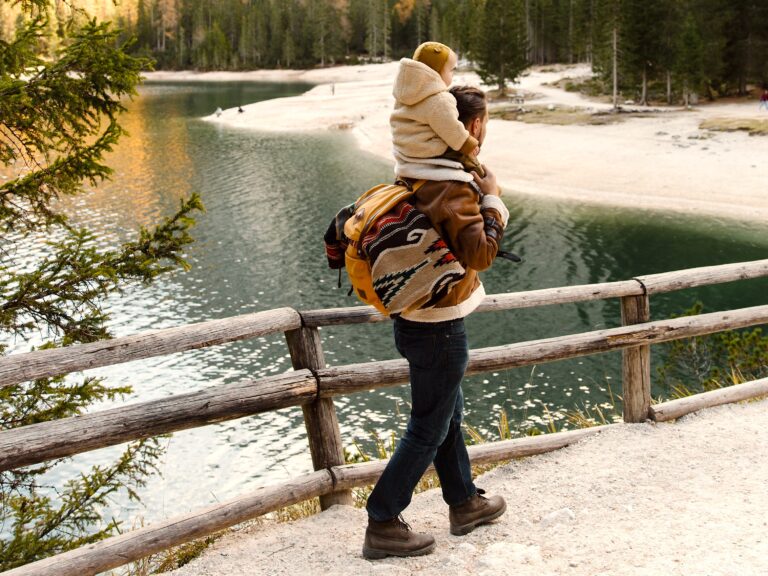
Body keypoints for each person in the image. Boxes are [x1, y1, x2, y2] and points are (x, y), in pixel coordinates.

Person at [362, 85, 508, 560]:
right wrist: (494, 203)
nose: (483, 133)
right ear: (471, 126)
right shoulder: (451, 186)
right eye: (483, 123)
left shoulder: (417, 168)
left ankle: (464, 501)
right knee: (428, 425)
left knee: (448, 415)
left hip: (416, 317)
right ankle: (383, 520)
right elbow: (480, 254)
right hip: (439, 325)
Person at [390, 41, 483, 177]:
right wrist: (468, 144)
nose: (452, 75)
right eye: (451, 71)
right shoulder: (439, 99)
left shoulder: (404, 94)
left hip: (404, 149)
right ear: (435, 73)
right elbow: (450, 128)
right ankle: (482, 183)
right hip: (426, 149)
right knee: (466, 159)